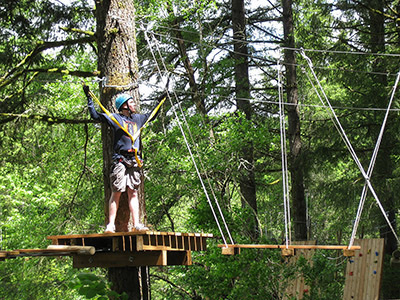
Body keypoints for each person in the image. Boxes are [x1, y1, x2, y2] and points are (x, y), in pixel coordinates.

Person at [83, 85, 164, 233]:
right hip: (120, 159)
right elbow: (95, 115)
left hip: (134, 160)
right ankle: (111, 225)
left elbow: (153, 114)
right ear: (124, 106)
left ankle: (137, 224)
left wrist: (160, 100)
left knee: (133, 191)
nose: (134, 105)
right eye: (131, 103)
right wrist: (89, 97)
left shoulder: (138, 119)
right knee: (117, 191)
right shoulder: (116, 118)